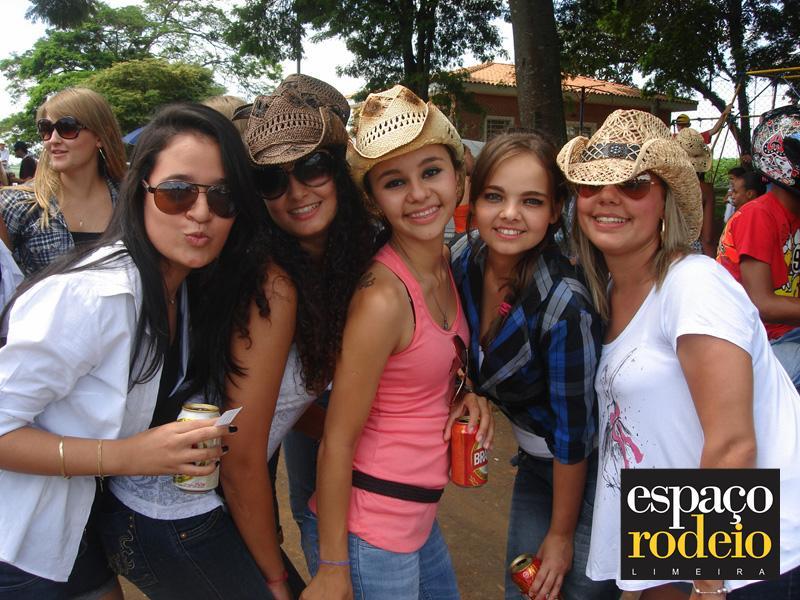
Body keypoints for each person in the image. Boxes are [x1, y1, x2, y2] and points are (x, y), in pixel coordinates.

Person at [0, 102, 257, 599]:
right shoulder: (92, 298)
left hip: (82, 526)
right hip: (21, 538)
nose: (202, 212)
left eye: (223, 196)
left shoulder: (182, 287)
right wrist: (127, 455)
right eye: (178, 192)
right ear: (140, 193)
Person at [560, 108, 800, 598]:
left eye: (634, 184)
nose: (608, 195)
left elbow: (732, 444)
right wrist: (645, 579)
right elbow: (657, 437)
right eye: (592, 183)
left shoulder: (693, 283)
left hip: (753, 556)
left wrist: (708, 584)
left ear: (665, 201)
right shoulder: (612, 290)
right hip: (678, 535)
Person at [301, 85, 492, 600]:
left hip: (415, 520)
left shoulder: (447, 264)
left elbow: (424, 375)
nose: (418, 194)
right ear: (374, 199)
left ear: (458, 177)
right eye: (394, 182)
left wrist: (467, 396)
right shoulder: (383, 298)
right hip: (370, 532)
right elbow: (338, 440)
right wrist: (333, 568)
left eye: (431, 171)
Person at [202, 74, 377, 599]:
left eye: (312, 166)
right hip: (194, 503)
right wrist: (275, 579)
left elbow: (284, 402)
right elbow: (239, 458)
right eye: (270, 180)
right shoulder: (272, 284)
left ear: (338, 170)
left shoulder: (332, 266)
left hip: (224, 495)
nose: (296, 191)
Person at [450, 132, 616, 600]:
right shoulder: (463, 260)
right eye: (494, 196)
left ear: (556, 209)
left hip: (588, 473)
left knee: (573, 590)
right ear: (473, 199)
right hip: (535, 463)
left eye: (531, 201)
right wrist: (468, 390)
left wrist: (561, 536)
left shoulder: (565, 306)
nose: (510, 214)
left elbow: (574, 437)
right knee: (522, 591)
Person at [716, 106, 800, 389]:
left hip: (786, 333)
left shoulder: (793, 215)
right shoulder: (759, 215)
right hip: (757, 342)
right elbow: (762, 303)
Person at [0, 88, 126, 275]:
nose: (53, 140)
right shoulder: (18, 204)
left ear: (100, 136)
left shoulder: (132, 199)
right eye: (46, 129)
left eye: (67, 127)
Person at [675, 127, 716, 256]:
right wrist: (712, 261)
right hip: (693, 253)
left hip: (666, 250)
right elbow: (707, 238)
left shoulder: (664, 186)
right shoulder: (705, 190)